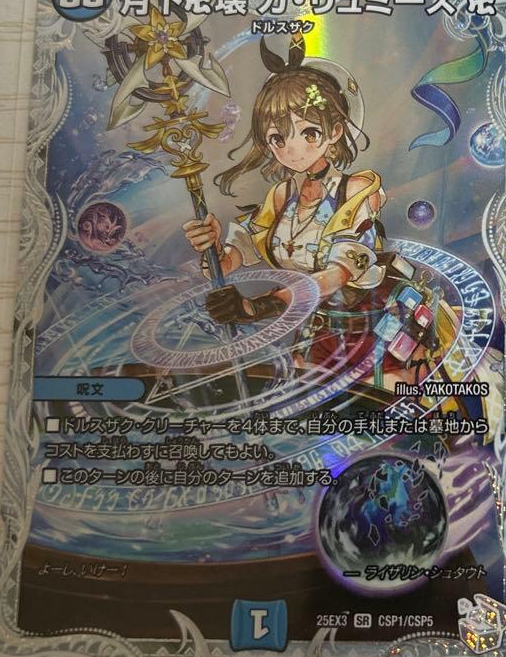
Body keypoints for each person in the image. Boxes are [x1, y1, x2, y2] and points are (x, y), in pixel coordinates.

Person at [182, 32, 451, 393]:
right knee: (306, 396)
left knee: (385, 396)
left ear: (334, 131)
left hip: (372, 329)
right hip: (317, 331)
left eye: (307, 133)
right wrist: (212, 248)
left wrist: (257, 308)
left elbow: (337, 275)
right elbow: (231, 260)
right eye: (278, 138)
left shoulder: (356, 191)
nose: (291, 149)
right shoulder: (280, 197)